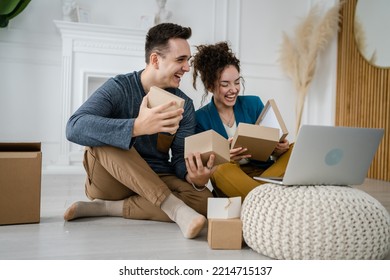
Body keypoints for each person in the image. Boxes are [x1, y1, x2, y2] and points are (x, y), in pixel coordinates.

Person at [64, 23, 215, 239]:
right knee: (106, 138)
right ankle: (175, 209)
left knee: (204, 202)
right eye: (180, 60)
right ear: (155, 60)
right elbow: (74, 126)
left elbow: (180, 159)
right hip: (112, 180)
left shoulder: (185, 105)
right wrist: (136, 127)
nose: (187, 68)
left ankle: (106, 208)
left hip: (155, 176)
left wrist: (194, 177)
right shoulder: (119, 88)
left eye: (188, 61)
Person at [191, 41, 292, 200]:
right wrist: (225, 155)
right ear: (210, 86)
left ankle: (260, 201)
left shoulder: (253, 103)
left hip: (263, 174)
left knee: (294, 149)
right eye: (225, 84)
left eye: (237, 82)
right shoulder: (200, 119)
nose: (234, 89)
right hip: (232, 177)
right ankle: (271, 199)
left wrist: (278, 150)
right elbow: (202, 166)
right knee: (220, 169)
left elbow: (269, 150)